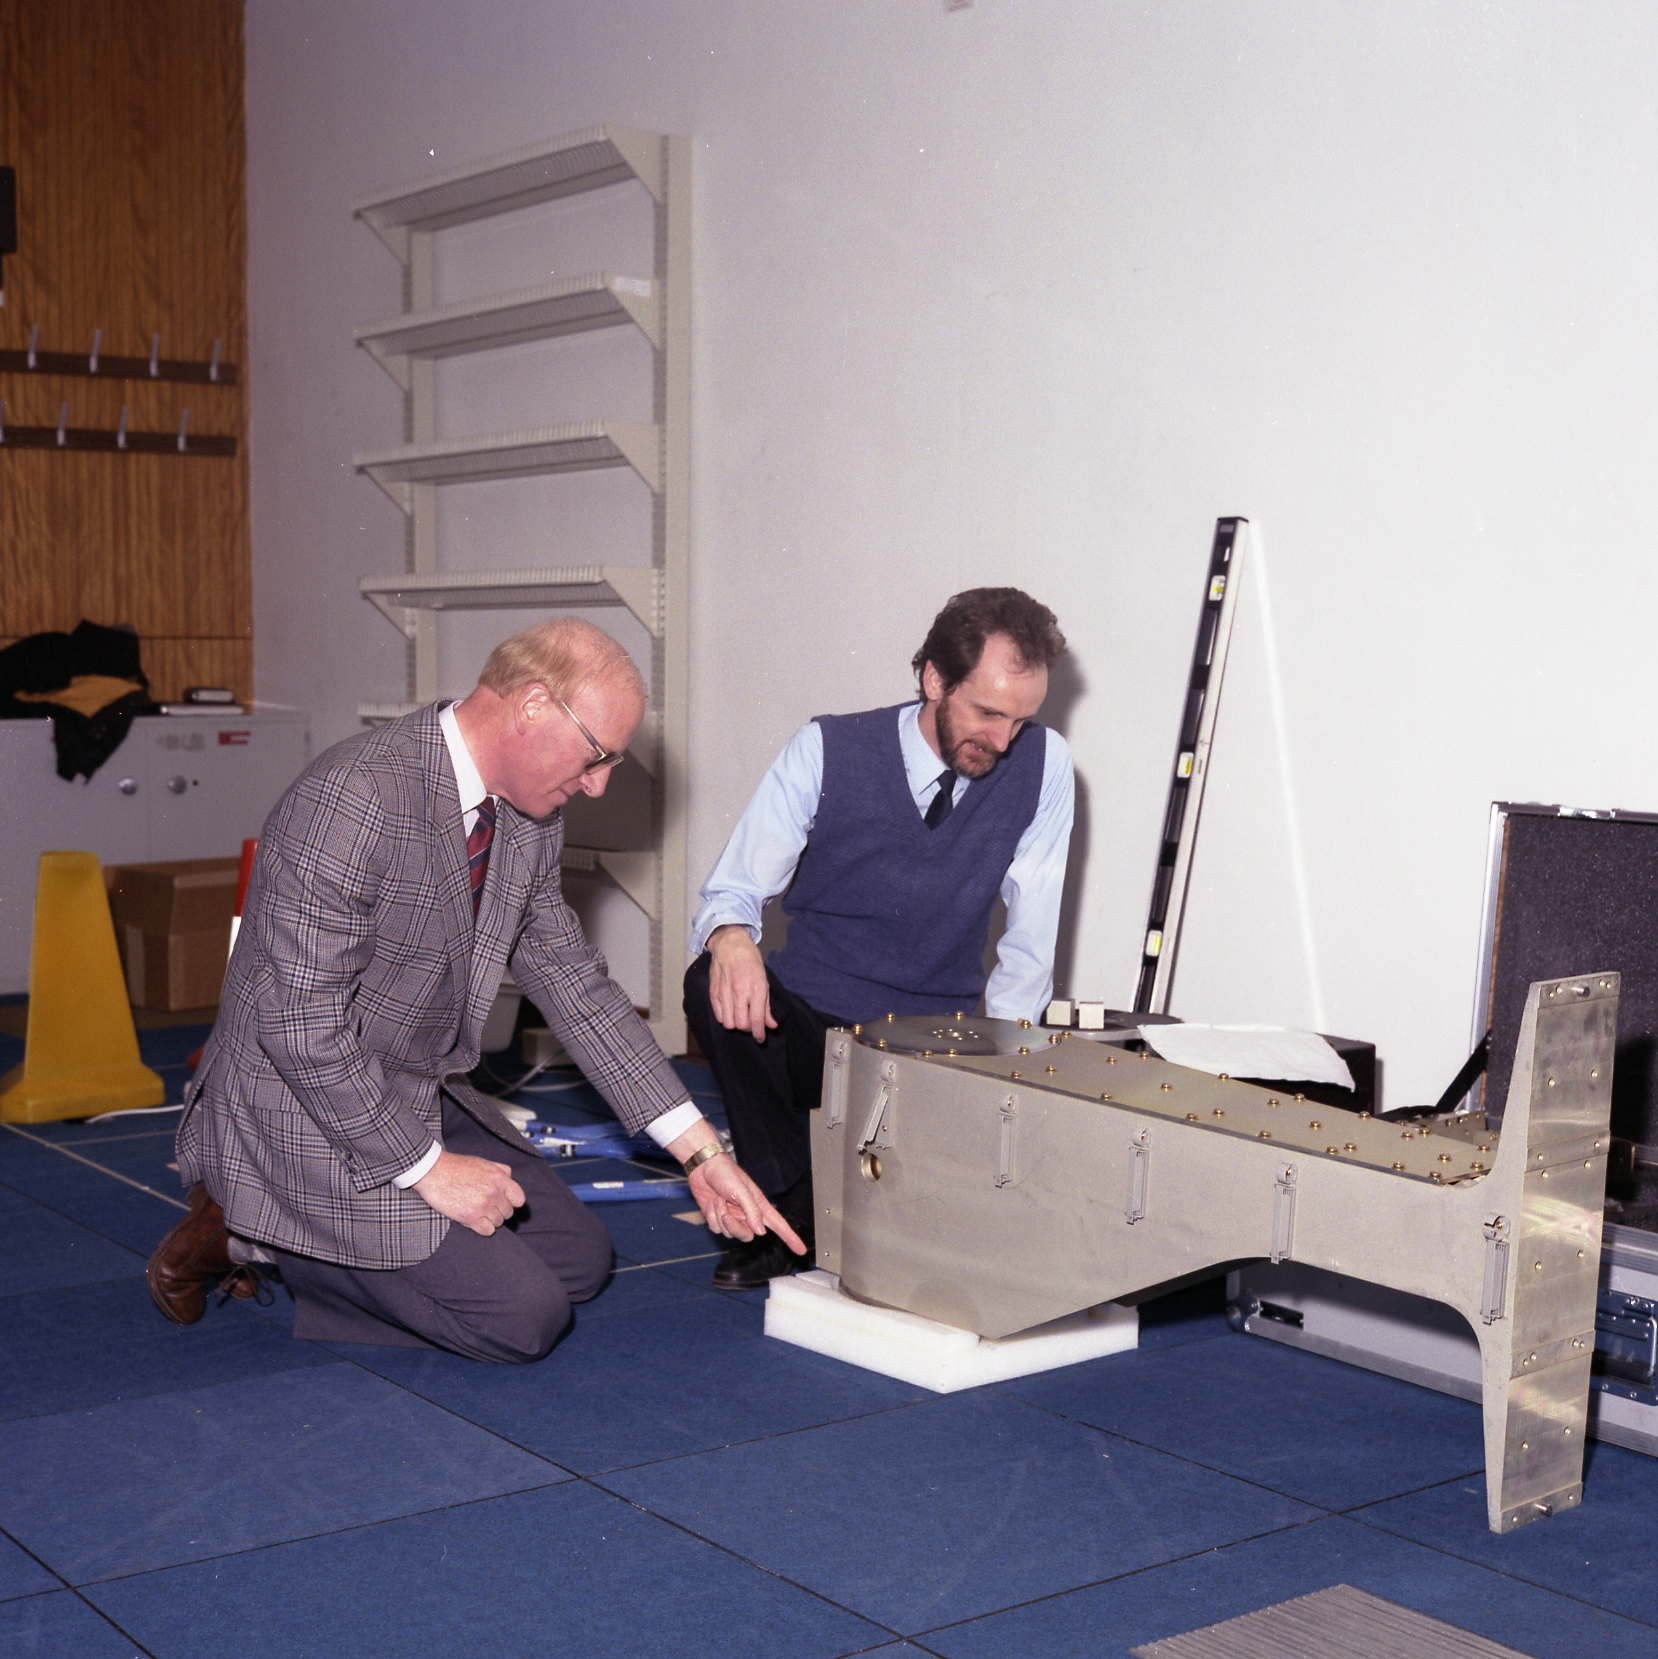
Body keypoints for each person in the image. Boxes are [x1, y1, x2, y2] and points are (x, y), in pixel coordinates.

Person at [146, 619, 802, 1362]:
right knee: (522, 1321)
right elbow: (300, 1025)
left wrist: (700, 1152)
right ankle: (245, 1227)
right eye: (597, 755)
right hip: (298, 1105)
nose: (598, 784)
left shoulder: (526, 815)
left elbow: (575, 985)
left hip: (410, 1088)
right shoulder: (352, 798)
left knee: (581, 1264)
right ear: (532, 705)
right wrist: (427, 1170)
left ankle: (301, 1229)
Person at [684, 587, 1073, 1289]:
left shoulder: (1045, 766)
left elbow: (1030, 940)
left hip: (928, 1044)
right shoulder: (827, 748)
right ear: (934, 679)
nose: (1003, 741)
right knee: (708, 979)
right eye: (988, 713)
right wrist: (731, 936)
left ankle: (837, 1196)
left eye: (1021, 720)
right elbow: (733, 887)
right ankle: (788, 1208)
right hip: (810, 1028)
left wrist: (1002, 1072)